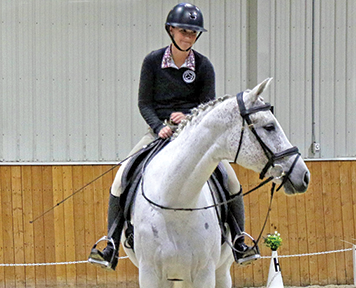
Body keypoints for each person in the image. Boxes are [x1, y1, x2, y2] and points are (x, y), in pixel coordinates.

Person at [89, 2, 258, 270]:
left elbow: (208, 107)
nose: (188, 36)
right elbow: (144, 103)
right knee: (123, 175)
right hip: (158, 132)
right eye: (183, 31)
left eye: (192, 33)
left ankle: (239, 239)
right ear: (171, 30)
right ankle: (110, 242)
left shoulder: (204, 66)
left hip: (195, 137)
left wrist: (188, 117)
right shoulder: (153, 61)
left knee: (229, 178)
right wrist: (159, 126)